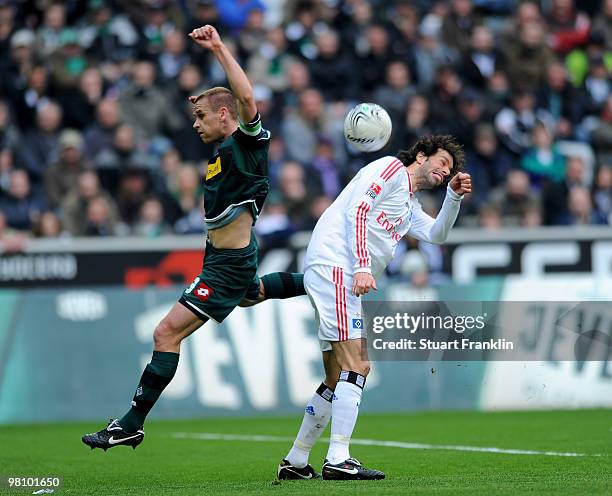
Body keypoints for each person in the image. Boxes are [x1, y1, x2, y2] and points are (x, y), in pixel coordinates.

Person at [82, 25, 304, 452]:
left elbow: (246, 98)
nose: (196, 124)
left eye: (202, 116)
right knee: (250, 293)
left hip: (226, 264)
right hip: (223, 258)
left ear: (226, 115)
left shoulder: (248, 144)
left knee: (166, 333)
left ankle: (131, 423)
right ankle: (321, 280)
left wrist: (219, 48)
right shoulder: (221, 155)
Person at [277, 135, 471, 481]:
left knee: (336, 376)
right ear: (421, 156)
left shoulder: (408, 205)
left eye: (451, 169)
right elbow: (359, 209)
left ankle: (296, 460)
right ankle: (338, 457)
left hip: (335, 274)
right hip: (339, 269)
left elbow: (438, 234)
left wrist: (453, 197)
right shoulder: (391, 168)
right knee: (360, 364)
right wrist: (363, 266)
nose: (446, 170)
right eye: (442, 162)